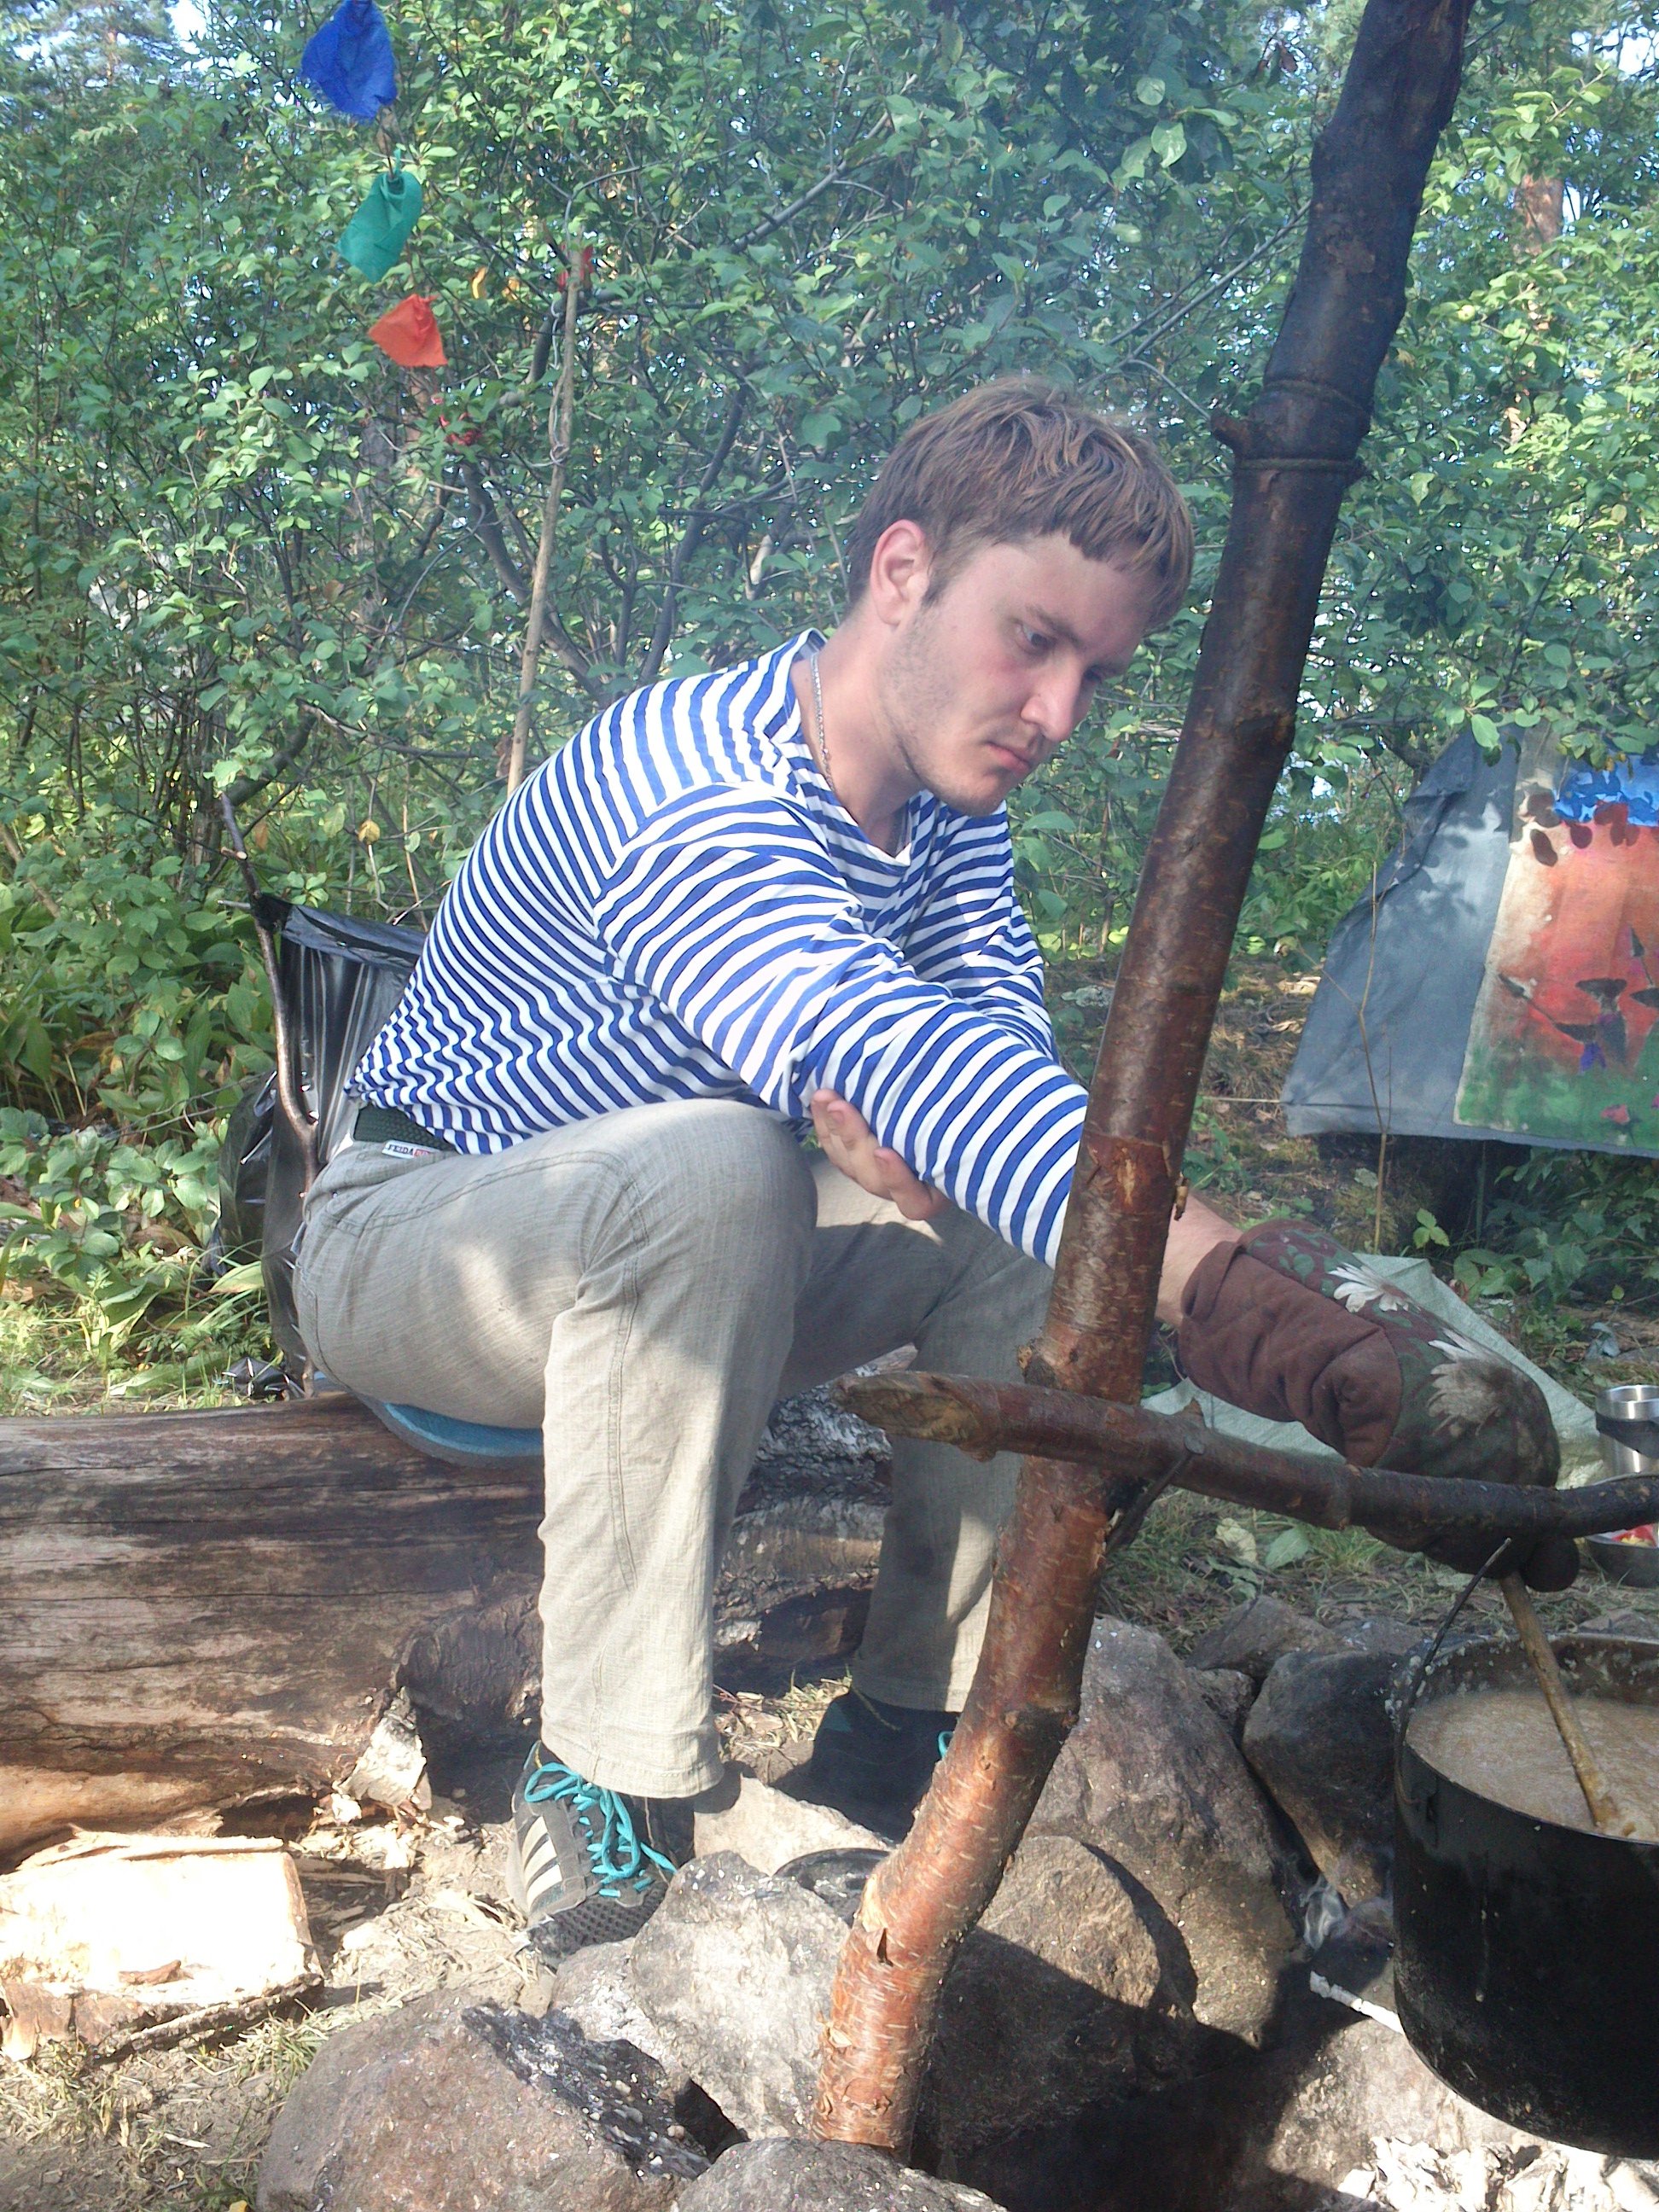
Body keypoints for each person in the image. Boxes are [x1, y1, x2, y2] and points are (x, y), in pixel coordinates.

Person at [292, 378, 1563, 1964]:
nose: (1058, 713)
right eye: (1032, 640)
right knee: (719, 1166)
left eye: (1095, 673)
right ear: (902, 570)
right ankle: (606, 1772)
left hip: (683, 1267)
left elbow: (994, 1063)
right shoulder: (690, 775)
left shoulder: (949, 818)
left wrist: (1311, 1299)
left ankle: (913, 1717)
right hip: (419, 1241)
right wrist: (1250, 1307)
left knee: (1023, 1232)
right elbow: (872, 1037)